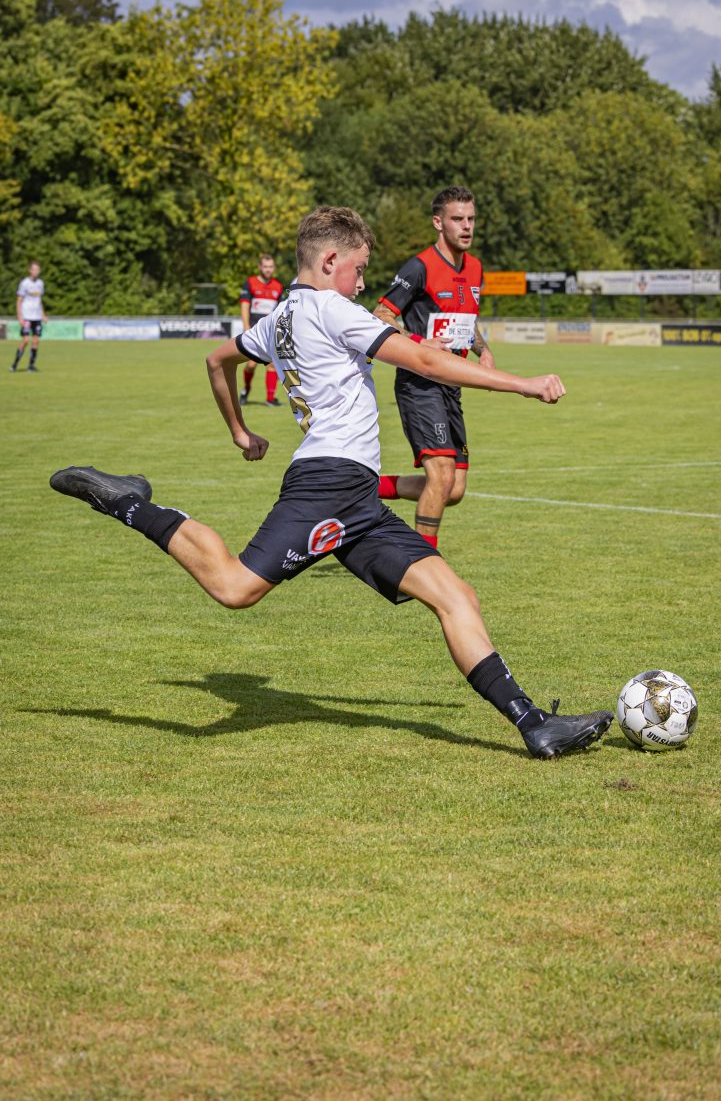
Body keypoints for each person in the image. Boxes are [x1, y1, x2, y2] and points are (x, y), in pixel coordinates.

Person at [49, 206, 612, 759]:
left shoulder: (276, 320)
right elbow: (426, 364)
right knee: (234, 587)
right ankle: (129, 503)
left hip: (357, 497)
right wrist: (523, 383)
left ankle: (534, 725)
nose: (363, 283)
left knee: (455, 595)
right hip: (328, 484)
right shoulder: (332, 310)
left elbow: (216, 361)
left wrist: (241, 433)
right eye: (360, 270)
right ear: (330, 261)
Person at [373, 186, 492, 549]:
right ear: (438, 222)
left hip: (451, 385)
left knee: (453, 489)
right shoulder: (419, 267)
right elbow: (381, 316)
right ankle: (422, 560)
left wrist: (483, 350)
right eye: (458, 219)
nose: (467, 226)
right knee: (440, 475)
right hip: (419, 382)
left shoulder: (475, 268)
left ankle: (367, 486)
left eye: (471, 219)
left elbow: (466, 321)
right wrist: (417, 340)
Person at [239, 253, 283, 406]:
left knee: (272, 364)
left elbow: (279, 311)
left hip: (270, 332)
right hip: (253, 330)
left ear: (274, 268)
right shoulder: (250, 283)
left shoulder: (278, 287)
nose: (268, 270)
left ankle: (270, 398)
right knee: (251, 364)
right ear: (259, 267)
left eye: (270, 267)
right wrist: (246, 327)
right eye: (265, 267)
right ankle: (245, 389)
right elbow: (244, 305)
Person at [10, 260, 47, 372]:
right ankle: (14, 364)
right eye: (33, 269)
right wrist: (20, 317)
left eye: (37, 269)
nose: (35, 272)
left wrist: (43, 314)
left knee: (35, 341)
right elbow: (19, 300)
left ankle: (31, 366)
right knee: (26, 340)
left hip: (36, 317)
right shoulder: (25, 283)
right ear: (30, 270)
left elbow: (39, 300)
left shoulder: (40, 283)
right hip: (26, 316)